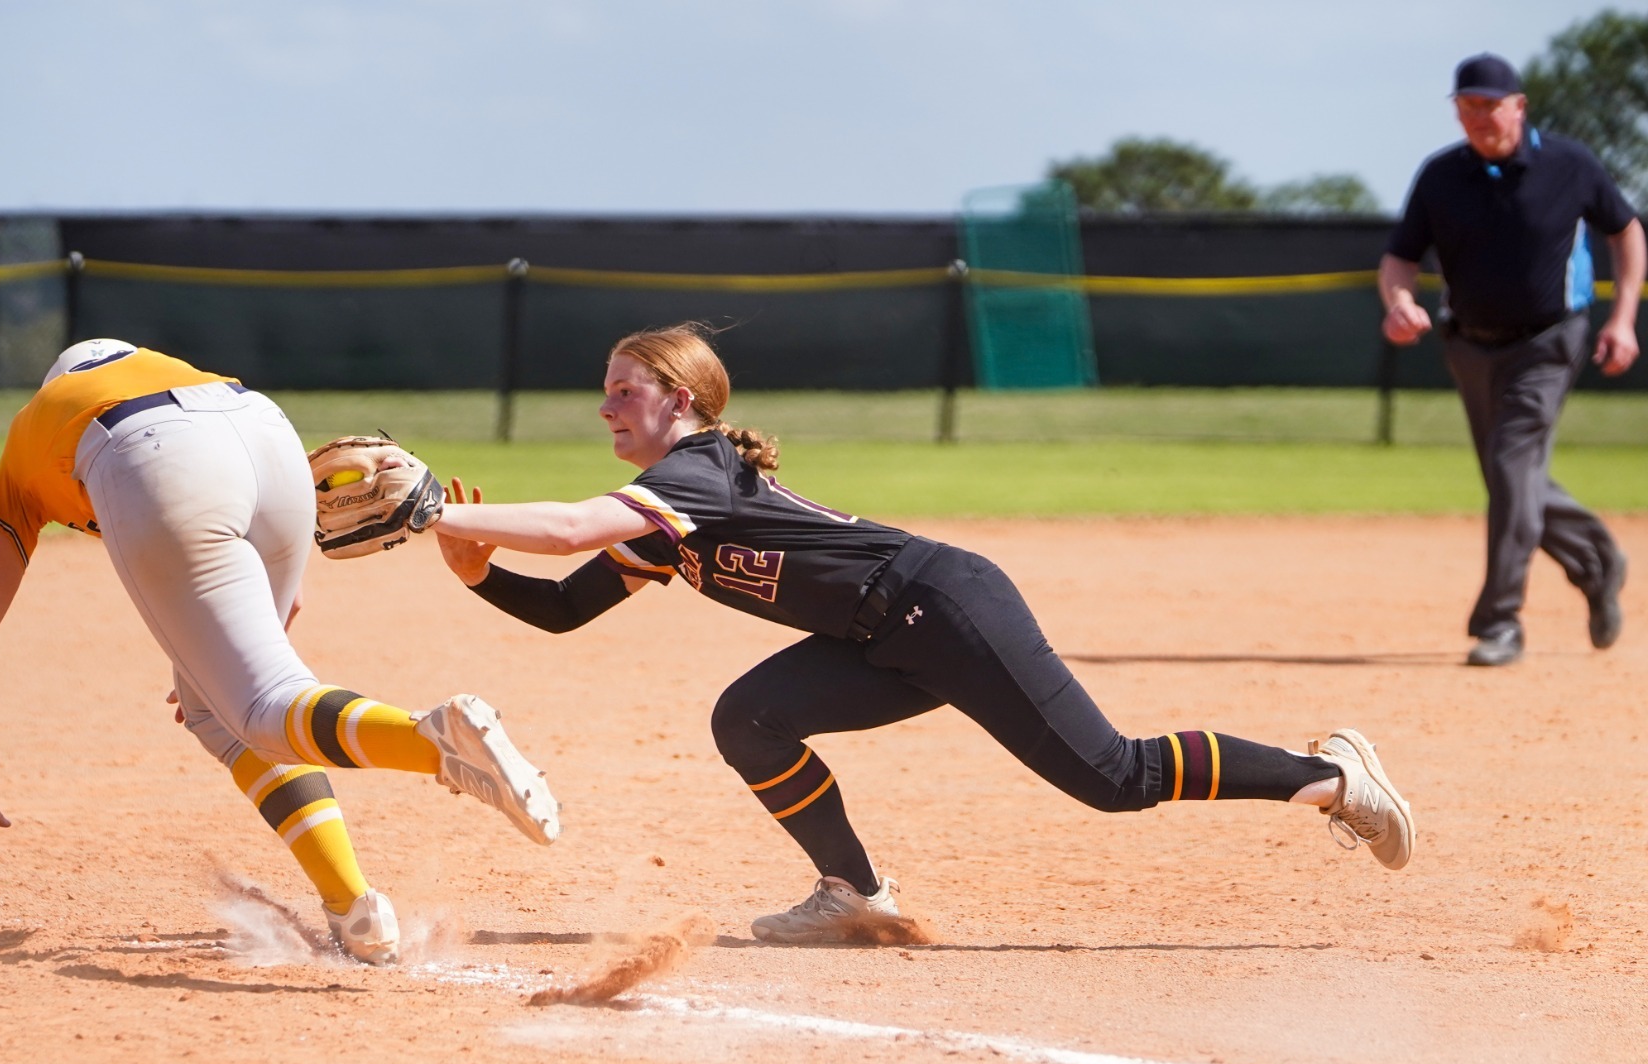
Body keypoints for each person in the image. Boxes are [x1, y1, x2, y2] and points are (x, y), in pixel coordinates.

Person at [424, 323, 1414, 943]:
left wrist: (433, 513)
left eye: (624, 390)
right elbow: (561, 605)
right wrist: (477, 575)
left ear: (679, 403)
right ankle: (852, 891)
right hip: (877, 636)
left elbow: (565, 528)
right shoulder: (674, 515)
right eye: (606, 389)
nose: (605, 406)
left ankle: (1322, 772)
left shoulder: (692, 474)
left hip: (941, 606)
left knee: (1111, 777)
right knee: (750, 718)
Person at [0, 339, 560, 965]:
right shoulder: (178, 374)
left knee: (260, 708)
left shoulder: (36, 431)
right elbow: (289, 604)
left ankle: (436, 742)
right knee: (221, 710)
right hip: (267, 432)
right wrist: (214, 672)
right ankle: (354, 909)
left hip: (146, 452)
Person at [1380, 52, 1641, 667]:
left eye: (1490, 104)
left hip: (1549, 341)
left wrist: (1624, 316)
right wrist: (1397, 302)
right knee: (1511, 479)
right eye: (1466, 105)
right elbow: (1400, 257)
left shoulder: (1569, 164)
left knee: (1509, 466)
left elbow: (1625, 229)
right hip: (1469, 343)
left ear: (1518, 106)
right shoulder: (1441, 175)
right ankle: (1599, 559)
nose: (1478, 116)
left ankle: (1500, 622)